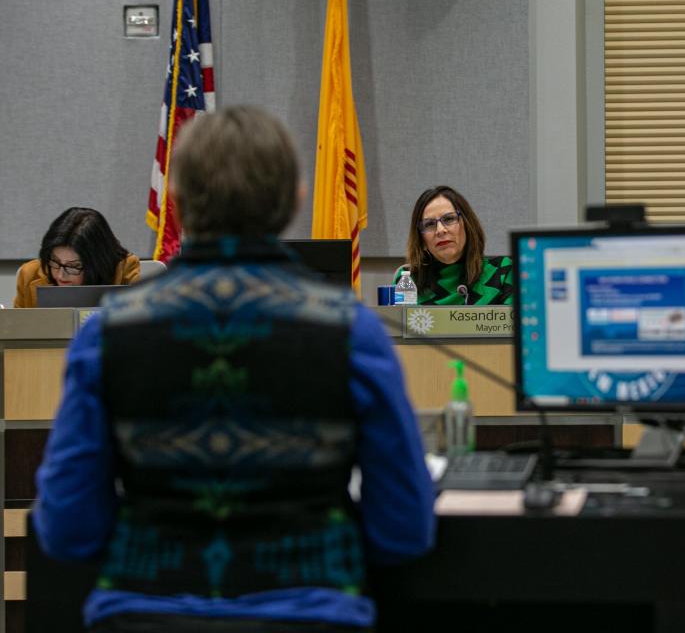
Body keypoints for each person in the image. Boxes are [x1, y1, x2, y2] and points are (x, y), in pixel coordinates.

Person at [32, 106, 436, 633]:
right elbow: (403, 529)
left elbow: (67, 530)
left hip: (143, 614)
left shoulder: (106, 336)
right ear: (294, 197)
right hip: (312, 615)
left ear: (174, 198)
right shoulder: (350, 332)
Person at [399, 185, 514, 305]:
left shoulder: (502, 272)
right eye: (429, 224)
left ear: (468, 225)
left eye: (449, 219)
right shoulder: (407, 279)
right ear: (421, 239)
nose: (440, 230)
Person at [14, 207, 141, 308]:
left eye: (73, 266)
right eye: (55, 261)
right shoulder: (30, 274)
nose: (60, 275)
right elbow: (16, 334)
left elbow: (138, 331)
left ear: (96, 262)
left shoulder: (125, 270)